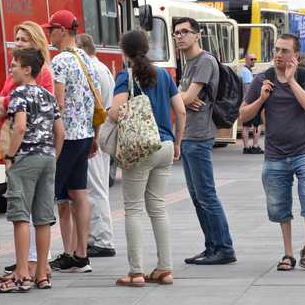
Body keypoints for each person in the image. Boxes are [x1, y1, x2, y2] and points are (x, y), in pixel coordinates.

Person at [111, 30, 186, 287]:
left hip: (141, 148)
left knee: (133, 209)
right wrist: (177, 143)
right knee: (157, 207)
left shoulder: (126, 76)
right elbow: (181, 111)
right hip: (165, 145)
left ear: (124, 52)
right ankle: (165, 269)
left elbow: (115, 112)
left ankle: (136, 272)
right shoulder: (164, 75)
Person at [239, 34, 305, 271]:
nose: (278, 55)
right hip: (275, 153)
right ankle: (288, 253)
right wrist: (261, 99)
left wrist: (292, 81)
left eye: (284, 51)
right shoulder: (263, 79)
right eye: (276, 50)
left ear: (295, 56)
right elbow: (243, 116)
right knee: (278, 205)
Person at [0, 48, 64, 292]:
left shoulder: (19, 94)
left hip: (26, 158)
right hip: (47, 158)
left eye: (14, 65)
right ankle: (42, 273)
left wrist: (9, 155)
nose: (10, 69)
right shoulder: (48, 95)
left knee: (20, 216)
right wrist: (53, 154)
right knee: (43, 219)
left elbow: (19, 128)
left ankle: (22, 272)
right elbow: (60, 132)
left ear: (27, 69)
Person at [175, 17, 236, 265]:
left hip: (199, 136)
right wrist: (183, 97)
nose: (180, 36)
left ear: (197, 35)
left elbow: (187, 98)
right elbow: (185, 98)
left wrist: (180, 97)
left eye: (185, 32)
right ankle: (211, 245)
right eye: (176, 33)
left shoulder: (204, 61)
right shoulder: (188, 63)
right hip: (188, 135)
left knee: (206, 194)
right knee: (196, 195)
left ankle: (223, 247)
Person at [43, 10, 100, 273]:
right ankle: (81, 255)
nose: (48, 34)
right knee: (79, 193)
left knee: (54, 194)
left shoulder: (60, 62)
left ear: (62, 31)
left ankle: (54, 254)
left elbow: (59, 102)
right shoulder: (88, 60)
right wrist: (95, 136)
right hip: (85, 134)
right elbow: (95, 101)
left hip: (65, 137)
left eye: (51, 29)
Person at [75, 33, 117, 258]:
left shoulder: (92, 70)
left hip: (95, 133)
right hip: (100, 132)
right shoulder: (102, 68)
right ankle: (98, 237)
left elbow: (95, 107)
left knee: (95, 186)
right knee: (96, 185)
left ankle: (102, 239)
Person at [240, 53, 263, 154]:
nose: (253, 61)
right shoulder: (246, 72)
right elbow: (249, 88)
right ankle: (255, 145)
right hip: (252, 102)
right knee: (257, 124)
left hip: (246, 102)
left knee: (246, 125)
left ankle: (246, 147)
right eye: (251, 59)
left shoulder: (245, 71)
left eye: (255, 59)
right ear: (246, 60)